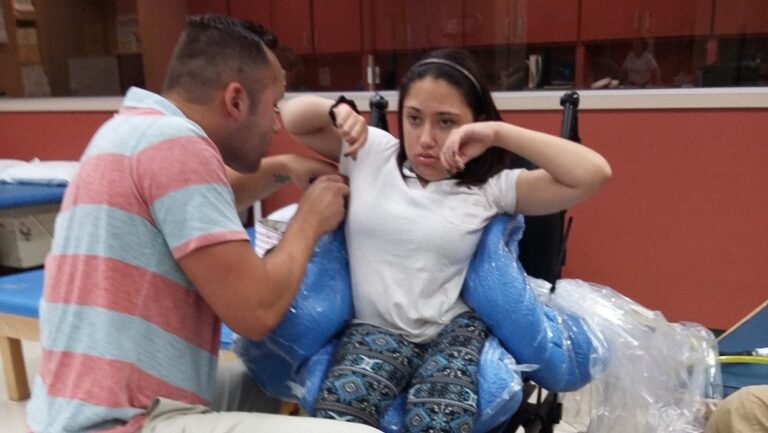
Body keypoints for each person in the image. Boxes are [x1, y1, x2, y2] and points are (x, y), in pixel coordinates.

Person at [26, 15, 382, 433]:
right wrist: (310, 219)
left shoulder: (131, 130)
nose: (275, 124)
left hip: (72, 410)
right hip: (122, 423)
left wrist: (282, 167)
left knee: (275, 382)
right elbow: (256, 311)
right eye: (271, 106)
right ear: (235, 100)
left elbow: (197, 207)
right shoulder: (179, 146)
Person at [277, 48, 612, 432]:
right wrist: (337, 111)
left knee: (438, 422)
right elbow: (292, 118)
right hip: (375, 329)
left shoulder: (490, 187)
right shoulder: (370, 151)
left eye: (446, 122)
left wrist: (498, 134)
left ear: (474, 123)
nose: (426, 139)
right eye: (414, 119)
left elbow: (592, 174)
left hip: (452, 332)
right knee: (339, 420)